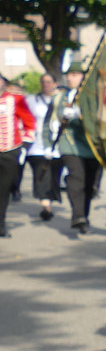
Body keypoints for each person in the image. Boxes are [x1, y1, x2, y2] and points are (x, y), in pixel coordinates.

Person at [52, 67, 102, 233]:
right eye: (68, 75)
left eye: (74, 75)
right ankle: (77, 215)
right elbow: (51, 117)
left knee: (89, 183)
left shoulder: (93, 96)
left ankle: (83, 216)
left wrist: (81, 115)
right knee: (76, 177)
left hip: (91, 145)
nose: (70, 78)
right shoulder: (60, 96)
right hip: (69, 143)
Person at [0, 76, 35, 236]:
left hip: (10, 150)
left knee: (3, 190)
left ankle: (1, 224)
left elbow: (29, 122)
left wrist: (25, 146)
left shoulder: (16, 99)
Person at [25, 72, 61, 221]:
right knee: (42, 173)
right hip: (37, 146)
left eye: (48, 81)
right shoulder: (32, 100)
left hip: (57, 146)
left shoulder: (61, 100)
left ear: (55, 84)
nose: (45, 84)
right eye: (43, 82)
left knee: (53, 175)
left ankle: (49, 200)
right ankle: (46, 205)